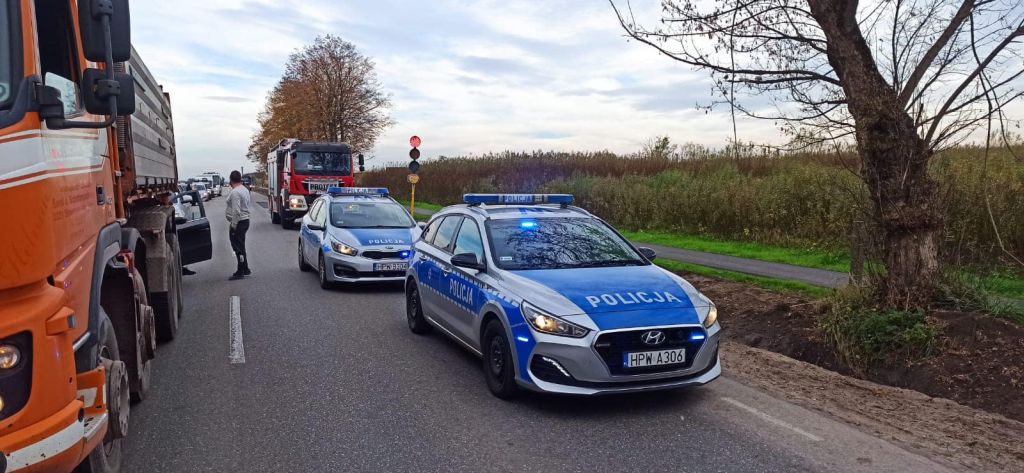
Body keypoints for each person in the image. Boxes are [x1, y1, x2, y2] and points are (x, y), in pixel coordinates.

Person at [226, 170, 252, 280]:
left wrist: (233, 225)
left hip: (239, 222)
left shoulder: (235, 192)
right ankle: (245, 268)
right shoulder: (245, 189)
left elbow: (236, 211)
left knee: (237, 247)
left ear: (231, 180)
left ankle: (240, 271)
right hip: (245, 220)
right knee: (241, 245)